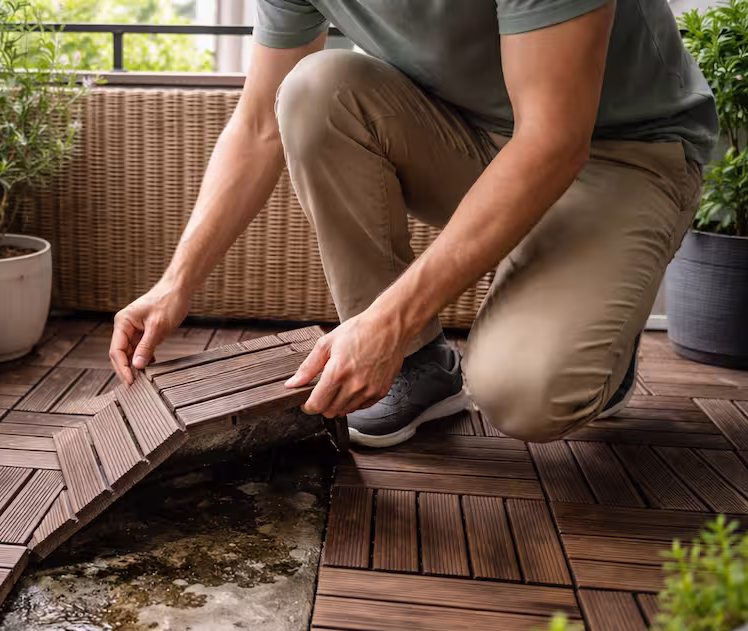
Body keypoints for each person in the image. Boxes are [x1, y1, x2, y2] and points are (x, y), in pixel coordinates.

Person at [107, 0, 717, 449]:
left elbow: (554, 142)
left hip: (624, 153)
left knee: (526, 397)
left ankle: (600, 333)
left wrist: (385, 322)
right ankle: (420, 366)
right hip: (474, 140)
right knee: (313, 90)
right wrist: (176, 282)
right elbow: (258, 125)